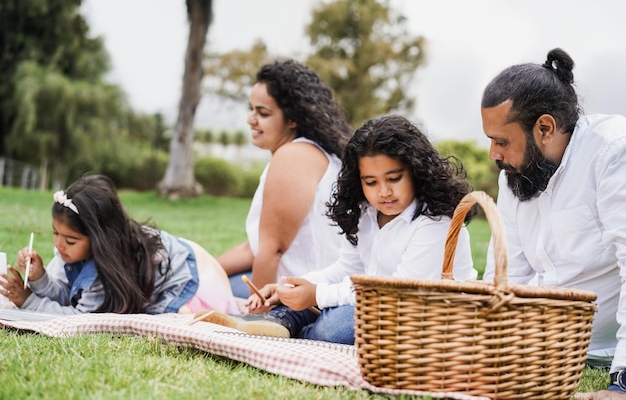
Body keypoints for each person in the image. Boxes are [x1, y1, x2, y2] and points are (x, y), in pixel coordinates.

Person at [197, 114, 477, 344]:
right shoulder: (367, 214)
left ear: (416, 170)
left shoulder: (435, 223)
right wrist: (291, 288)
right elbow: (345, 269)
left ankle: (294, 328)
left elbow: (395, 294)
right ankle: (280, 319)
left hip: (423, 321)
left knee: (339, 326)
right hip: (374, 307)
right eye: (371, 182)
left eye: (394, 178)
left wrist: (317, 295)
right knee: (339, 312)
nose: (384, 192)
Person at [479, 48, 626, 399]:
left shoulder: (612, 153)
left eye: (502, 141)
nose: (493, 155)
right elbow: (506, 277)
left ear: (545, 127)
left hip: (605, 352)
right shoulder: (513, 177)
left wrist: (622, 383)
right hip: (542, 351)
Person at [0, 173, 241, 315]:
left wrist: (29, 301)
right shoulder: (78, 252)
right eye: (55, 233)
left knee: (186, 319)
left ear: (99, 239)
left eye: (70, 240)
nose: (59, 245)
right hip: (184, 256)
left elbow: (76, 317)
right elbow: (71, 295)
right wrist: (40, 277)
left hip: (194, 278)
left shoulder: (104, 271)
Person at [217, 59, 353, 299]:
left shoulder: (293, 156)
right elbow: (254, 249)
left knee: (204, 292)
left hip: (303, 295)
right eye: (251, 109)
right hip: (301, 287)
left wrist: (257, 314)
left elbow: (272, 249)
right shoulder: (313, 152)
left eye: (263, 113)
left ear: (292, 119)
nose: (251, 119)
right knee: (206, 282)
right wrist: (204, 270)